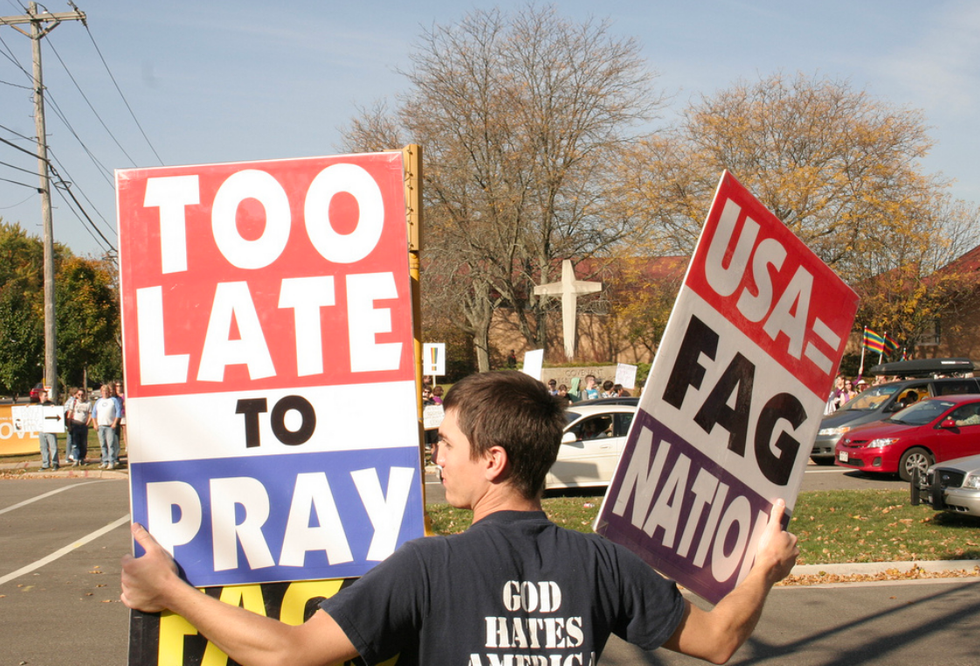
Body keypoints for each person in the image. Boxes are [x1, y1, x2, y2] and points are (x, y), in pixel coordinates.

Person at [121, 371, 798, 665]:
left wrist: (170, 592)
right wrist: (763, 569)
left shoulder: (428, 565)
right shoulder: (603, 564)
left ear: (494, 460)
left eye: (445, 444)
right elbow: (717, 641)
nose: (437, 457)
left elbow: (289, 653)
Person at [90, 384, 121, 470]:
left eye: (106, 391)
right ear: (101, 392)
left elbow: (118, 412)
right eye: (103, 391)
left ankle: (111, 461)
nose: (105, 392)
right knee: (103, 444)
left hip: (110, 425)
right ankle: (105, 461)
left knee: (110, 444)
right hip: (100, 426)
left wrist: (115, 423)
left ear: (109, 392)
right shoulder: (98, 401)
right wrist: (95, 424)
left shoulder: (113, 400)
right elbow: (94, 413)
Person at [66, 387, 92, 466]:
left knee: (83, 443)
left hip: (83, 425)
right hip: (75, 424)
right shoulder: (74, 403)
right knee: (75, 443)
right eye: (79, 394)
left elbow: (90, 414)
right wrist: (69, 425)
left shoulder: (88, 403)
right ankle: (76, 459)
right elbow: (69, 414)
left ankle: (82, 458)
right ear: (76, 395)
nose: (81, 396)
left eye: (82, 394)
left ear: (85, 395)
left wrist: (87, 423)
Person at [37, 389, 60, 470]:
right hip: (42, 430)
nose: (46, 397)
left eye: (47, 395)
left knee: (53, 446)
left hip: (50, 429)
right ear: (40, 397)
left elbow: (57, 412)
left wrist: (53, 408)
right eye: (45, 396)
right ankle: (45, 463)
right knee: (43, 447)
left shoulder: (51, 404)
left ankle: (55, 463)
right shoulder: (38, 405)